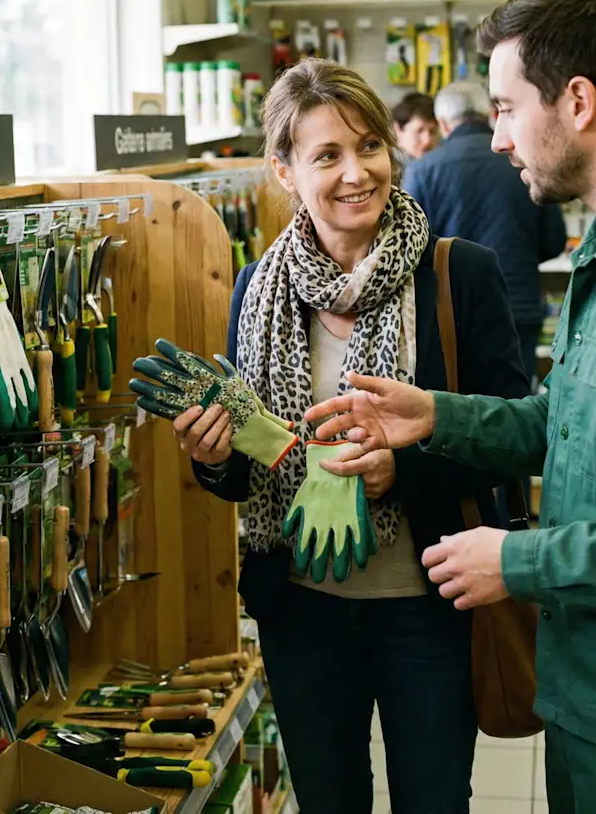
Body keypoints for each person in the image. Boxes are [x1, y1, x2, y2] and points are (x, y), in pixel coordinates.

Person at [306, 0, 596, 814]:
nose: (499, 138)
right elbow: (565, 425)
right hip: (589, 697)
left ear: (577, 100)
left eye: (509, 108)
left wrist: (519, 560)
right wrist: (436, 414)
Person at [172, 58, 530, 814]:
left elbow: (511, 440)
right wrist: (213, 457)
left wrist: (398, 471)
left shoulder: (458, 275)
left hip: (427, 607)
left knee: (434, 801)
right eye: (327, 155)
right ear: (284, 171)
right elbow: (251, 468)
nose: (356, 172)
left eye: (369, 146)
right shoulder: (257, 290)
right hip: (303, 614)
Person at [404, 79, 566, 388]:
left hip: (446, 313)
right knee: (512, 410)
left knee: (451, 415)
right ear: (490, 114)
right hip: (518, 307)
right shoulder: (524, 164)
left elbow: (409, 247)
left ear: (442, 123)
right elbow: (553, 240)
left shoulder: (424, 171)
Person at [391, 91, 439, 166]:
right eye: (419, 131)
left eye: (432, 131)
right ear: (397, 130)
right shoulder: (385, 170)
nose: (427, 140)